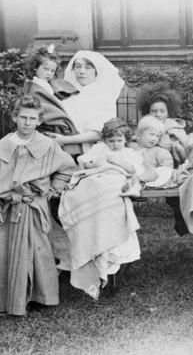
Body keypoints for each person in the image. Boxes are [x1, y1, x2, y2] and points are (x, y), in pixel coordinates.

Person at [0, 95, 76, 320]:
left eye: (32, 118)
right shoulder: (0, 148)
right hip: (8, 210)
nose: (27, 123)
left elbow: (67, 167)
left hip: (34, 208)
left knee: (39, 253)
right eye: (23, 117)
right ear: (14, 118)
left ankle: (40, 297)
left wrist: (54, 189)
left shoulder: (48, 146)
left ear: (39, 120)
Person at [59, 118, 155, 300]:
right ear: (105, 140)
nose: (115, 144)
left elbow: (132, 169)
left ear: (125, 139)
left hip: (117, 177)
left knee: (112, 188)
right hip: (96, 177)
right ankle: (86, 213)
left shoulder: (128, 152)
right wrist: (95, 163)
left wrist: (115, 162)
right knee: (85, 188)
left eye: (119, 140)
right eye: (111, 141)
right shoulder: (99, 149)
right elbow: (86, 164)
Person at [44, 50, 125, 154]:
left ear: (96, 71)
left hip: (90, 151)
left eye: (88, 67)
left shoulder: (103, 97)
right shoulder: (67, 93)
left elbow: (99, 133)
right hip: (60, 148)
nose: (82, 71)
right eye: (78, 66)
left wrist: (65, 140)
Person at [23, 44, 81, 155]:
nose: (49, 73)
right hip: (46, 124)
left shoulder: (46, 84)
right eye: (45, 69)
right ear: (35, 67)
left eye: (52, 71)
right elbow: (45, 105)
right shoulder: (35, 86)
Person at [138, 82, 188, 165]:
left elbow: (186, 151)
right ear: (148, 112)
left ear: (168, 112)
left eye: (162, 111)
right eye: (154, 111)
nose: (158, 114)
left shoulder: (175, 129)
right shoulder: (144, 126)